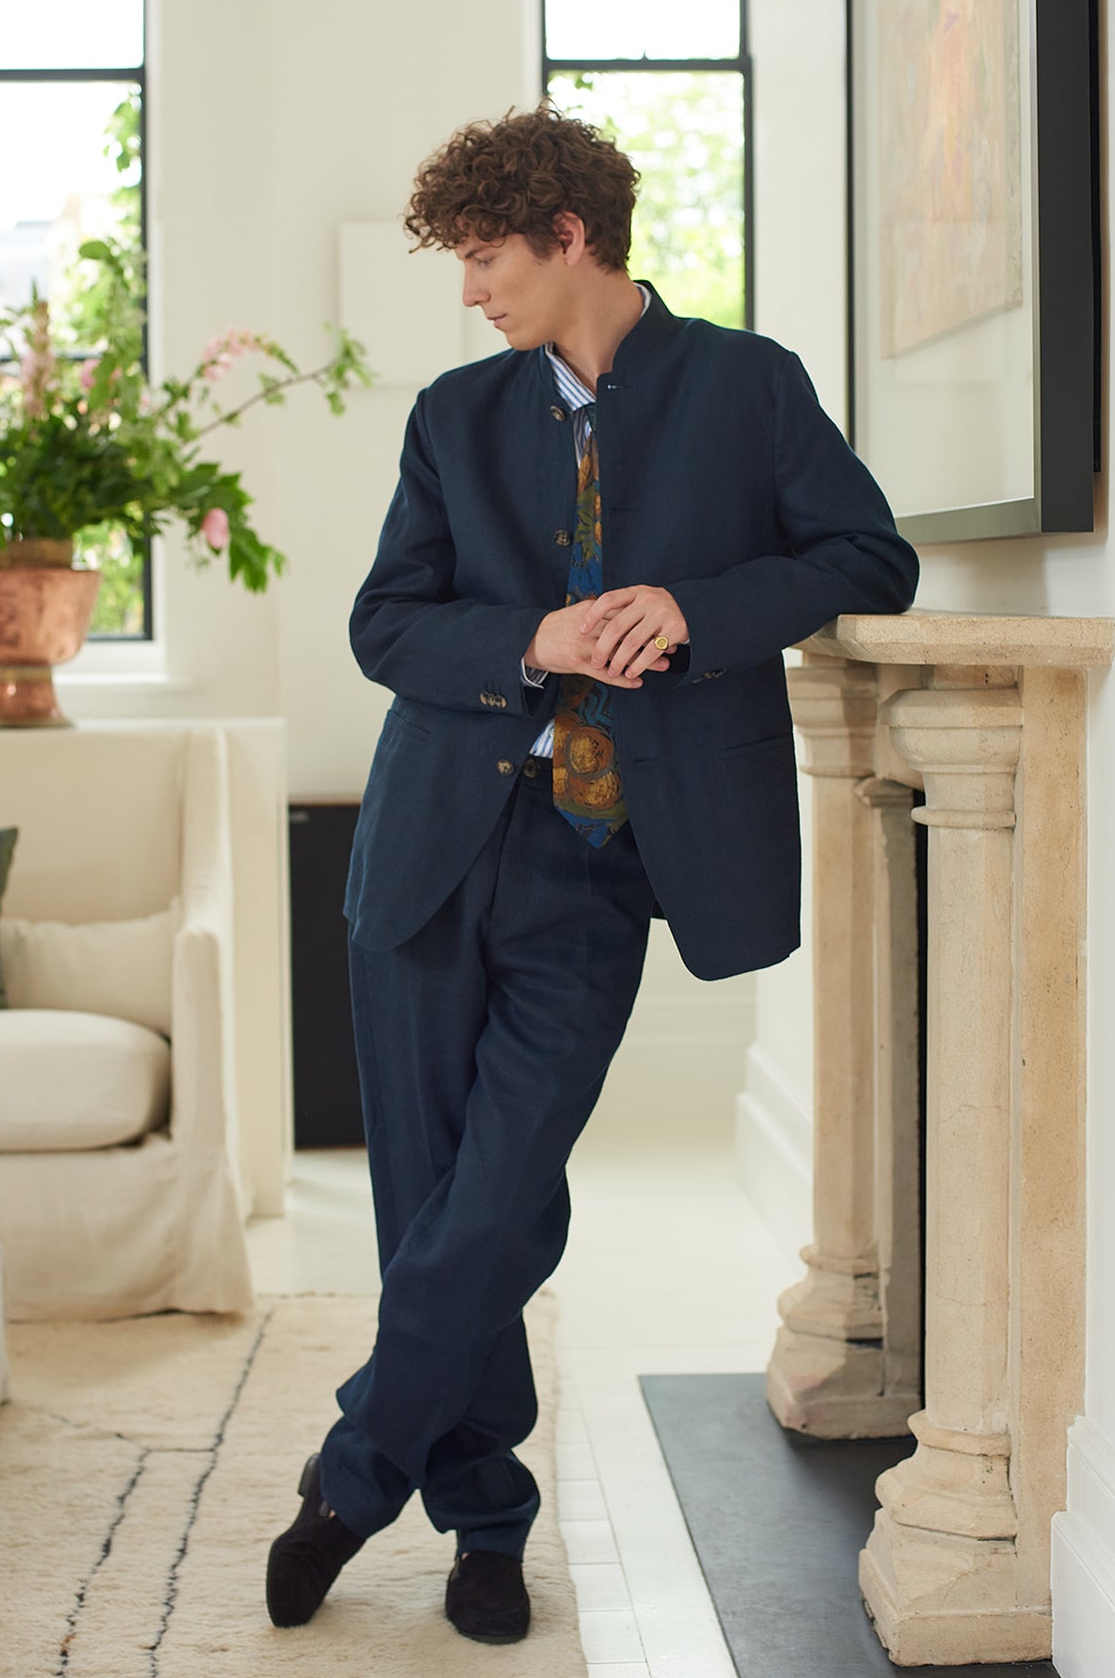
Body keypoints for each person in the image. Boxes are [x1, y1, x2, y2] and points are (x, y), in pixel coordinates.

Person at [265, 104, 919, 1645]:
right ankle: (487, 1529)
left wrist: (692, 607)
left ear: (569, 237)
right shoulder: (453, 413)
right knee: (433, 1205)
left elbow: (863, 560)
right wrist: (529, 640)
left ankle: (352, 1478)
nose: (470, 289)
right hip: (429, 854)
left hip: (609, 866)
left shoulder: (748, 386)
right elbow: (383, 626)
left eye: (486, 256)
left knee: (496, 1198)